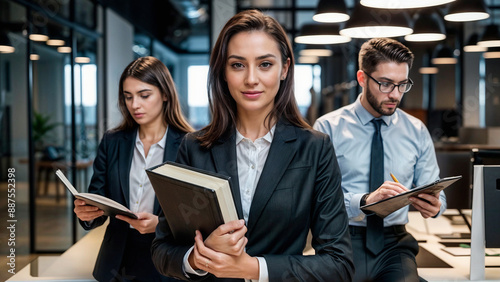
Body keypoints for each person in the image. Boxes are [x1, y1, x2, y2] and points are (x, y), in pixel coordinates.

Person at [151, 9, 354, 282]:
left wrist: (252, 268)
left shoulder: (314, 149)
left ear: (284, 69)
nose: (251, 79)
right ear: (223, 71)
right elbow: (163, 250)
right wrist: (197, 258)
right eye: (237, 65)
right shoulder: (194, 147)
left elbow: (338, 264)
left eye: (265, 64)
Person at [314, 38, 447, 282]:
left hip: (394, 245)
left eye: (402, 85)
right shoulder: (326, 128)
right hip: (340, 242)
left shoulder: (416, 130)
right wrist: (364, 201)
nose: (395, 95)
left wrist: (436, 206)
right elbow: (316, 199)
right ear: (362, 79)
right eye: (385, 84)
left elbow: (436, 189)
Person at [73, 56, 193, 282]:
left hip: (167, 259)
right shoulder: (112, 141)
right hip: (117, 260)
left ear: (165, 94)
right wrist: (87, 215)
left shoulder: (191, 145)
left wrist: (161, 225)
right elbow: (98, 196)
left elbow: (197, 216)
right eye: (128, 97)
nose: (134, 105)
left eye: (144, 95)